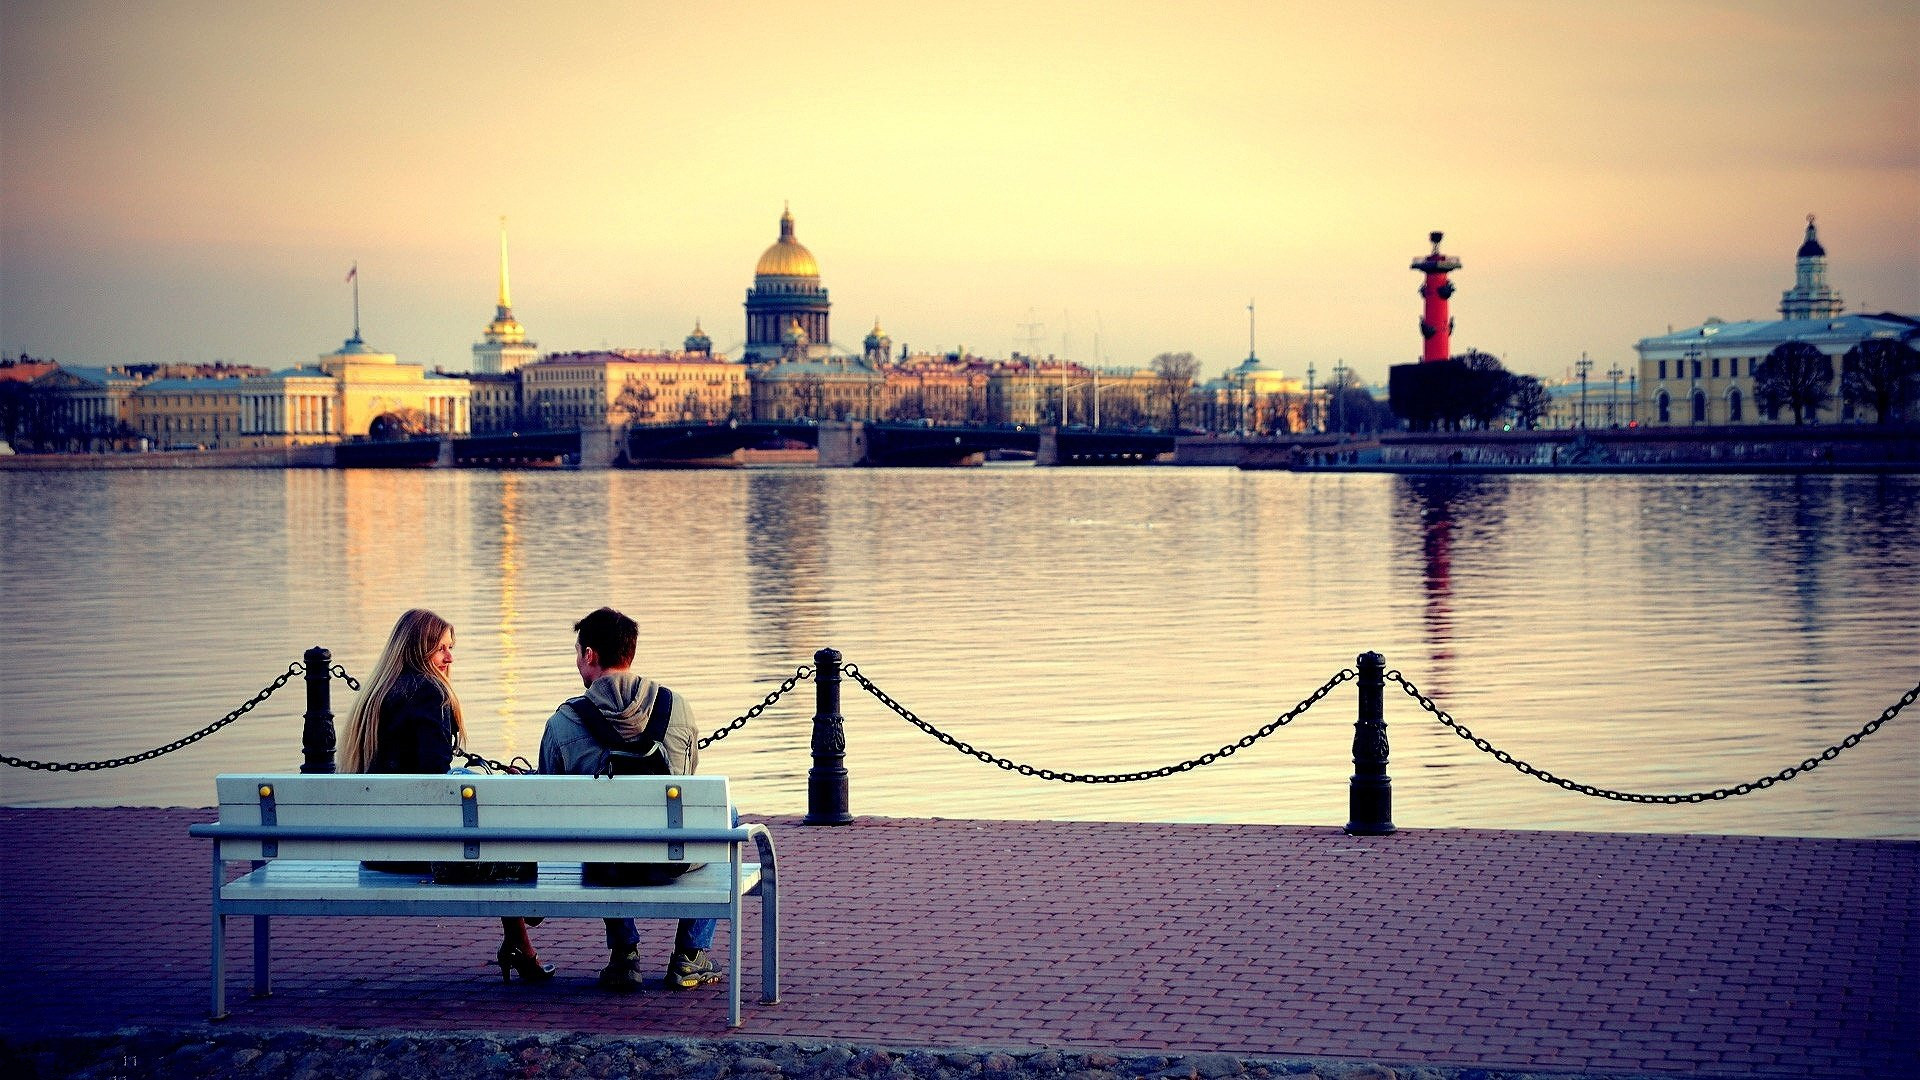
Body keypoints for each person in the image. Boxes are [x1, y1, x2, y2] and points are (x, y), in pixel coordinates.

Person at [340, 608, 553, 985]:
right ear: (418, 652)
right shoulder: (429, 694)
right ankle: (528, 905)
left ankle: (520, 945)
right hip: (418, 852)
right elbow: (439, 786)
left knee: (491, 825)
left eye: (450, 648)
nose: (450, 658)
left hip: (378, 848)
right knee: (515, 845)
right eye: (442, 649)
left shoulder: (375, 697)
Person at [540, 606, 723, 993]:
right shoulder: (679, 707)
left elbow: (548, 801)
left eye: (578, 652)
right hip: (670, 858)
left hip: (604, 865)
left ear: (589, 655)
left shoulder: (562, 722)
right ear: (631, 653)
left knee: (603, 832)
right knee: (725, 819)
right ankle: (690, 955)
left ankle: (625, 954)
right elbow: (687, 781)